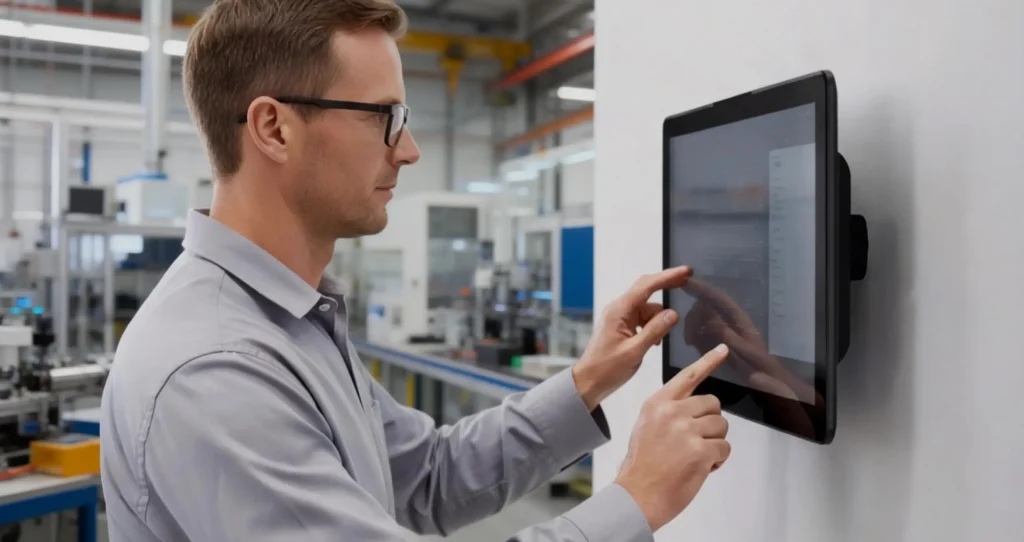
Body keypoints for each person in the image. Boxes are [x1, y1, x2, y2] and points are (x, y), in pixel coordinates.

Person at [99, 1, 732, 541]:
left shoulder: (295, 323)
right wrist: (633, 501)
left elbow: (426, 476)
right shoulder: (216, 369)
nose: (408, 149)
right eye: (385, 118)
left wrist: (588, 380)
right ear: (274, 128)